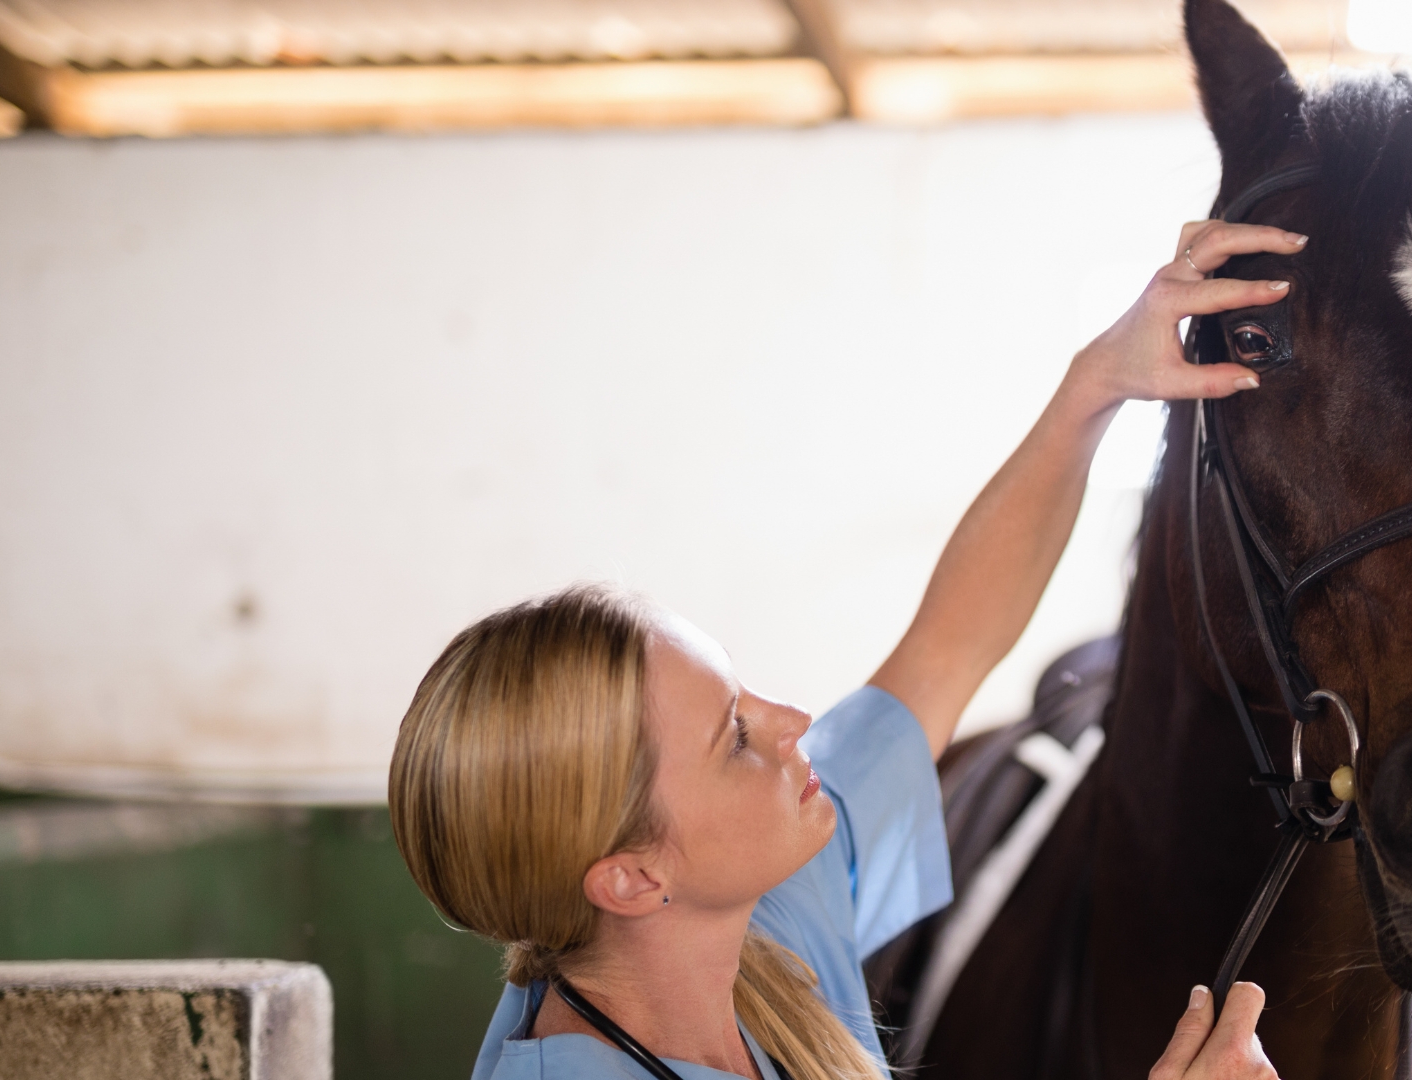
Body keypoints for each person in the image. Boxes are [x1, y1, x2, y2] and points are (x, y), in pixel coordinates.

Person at [389, 220, 1308, 1080]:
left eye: (746, 699)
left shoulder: (768, 925)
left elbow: (949, 646)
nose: (792, 722)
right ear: (633, 876)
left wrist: (1097, 383)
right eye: (734, 741)